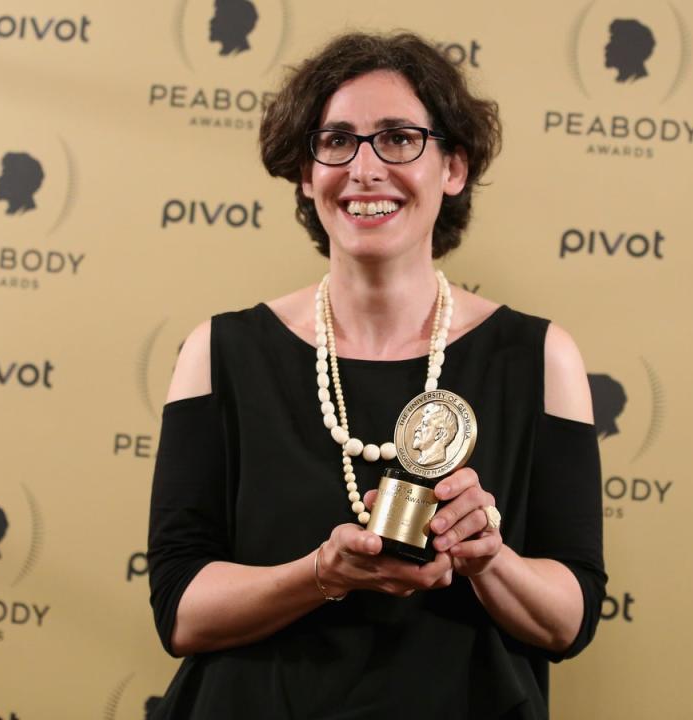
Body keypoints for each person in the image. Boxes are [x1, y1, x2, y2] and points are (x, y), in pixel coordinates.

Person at [147, 32, 605, 719]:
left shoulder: (541, 359)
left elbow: (570, 620)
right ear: (306, 174)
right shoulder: (220, 352)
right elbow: (180, 612)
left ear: (454, 166)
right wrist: (319, 576)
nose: (364, 168)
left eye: (398, 138)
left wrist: (490, 559)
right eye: (336, 141)